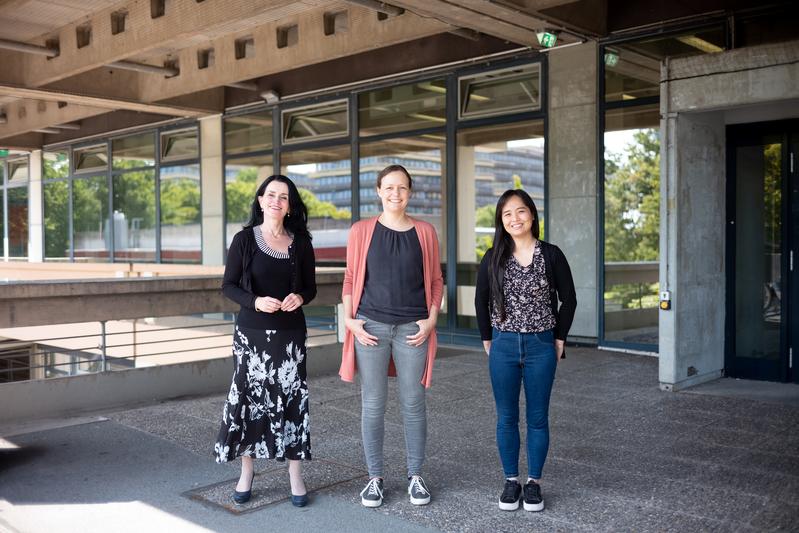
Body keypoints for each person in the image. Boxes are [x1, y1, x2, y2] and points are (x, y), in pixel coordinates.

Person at [339, 164, 444, 508]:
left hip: (413, 328)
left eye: (401, 188)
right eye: (389, 187)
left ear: (409, 193)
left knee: (413, 403)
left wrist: (430, 321)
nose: (395, 193)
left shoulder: (425, 232)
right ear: (378, 191)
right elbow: (352, 278)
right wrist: (350, 321)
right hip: (371, 328)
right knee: (373, 404)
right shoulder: (361, 230)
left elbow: (436, 281)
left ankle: (415, 476)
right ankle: (374, 478)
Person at [213, 175, 316, 508]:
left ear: (290, 206)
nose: (276, 201)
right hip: (251, 335)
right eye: (270, 195)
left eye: (283, 197)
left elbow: (311, 288)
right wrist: (255, 301)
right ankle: (247, 472)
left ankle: (295, 475)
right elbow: (228, 286)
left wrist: (299, 297)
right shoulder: (244, 240)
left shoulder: (301, 242)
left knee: (292, 400)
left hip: (290, 337)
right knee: (249, 401)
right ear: (260, 200)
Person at [475, 189, 576, 512]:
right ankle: (510, 481)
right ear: (501, 221)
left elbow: (569, 299)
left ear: (532, 215)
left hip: (541, 345)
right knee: (506, 417)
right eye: (507, 214)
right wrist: (487, 338)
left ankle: (533, 484)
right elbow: (481, 300)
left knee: (537, 418)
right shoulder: (493, 257)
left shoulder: (551, 254)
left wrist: (559, 338)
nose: (514, 219)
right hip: (503, 344)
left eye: (520, 212)